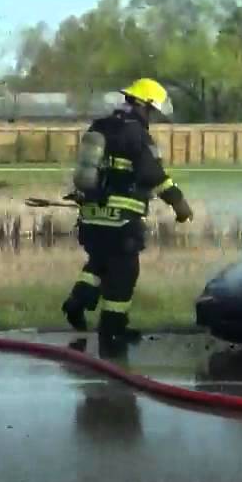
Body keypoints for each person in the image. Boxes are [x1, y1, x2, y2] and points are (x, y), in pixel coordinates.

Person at [61, 78, 194, 351]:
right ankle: (112, 331)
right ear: (144, 105)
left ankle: (76, 302)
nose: (153, 117)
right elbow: (152, 174)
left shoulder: (100, 126)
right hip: (121, 219)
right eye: (153, 111)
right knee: (124, 271)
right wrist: (179, 203)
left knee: (99, 261)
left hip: (92, 216)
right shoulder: (136, 134)